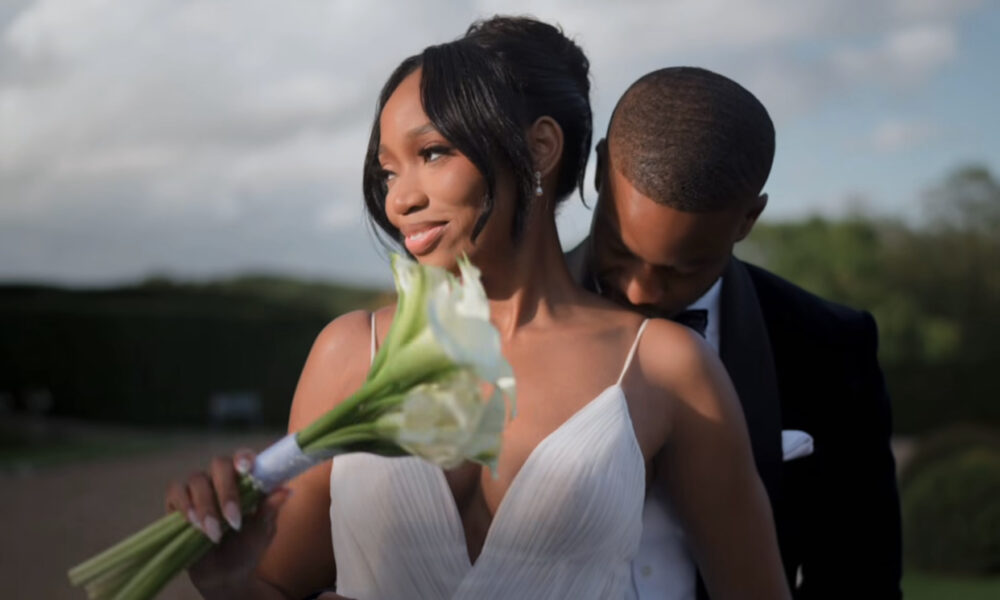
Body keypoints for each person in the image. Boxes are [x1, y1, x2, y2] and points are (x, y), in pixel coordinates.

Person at [165, 19, 792, 600]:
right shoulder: (351, 351)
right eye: (387, 172)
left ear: (541, 147)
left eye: (432, 152)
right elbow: (276, 589)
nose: (400, 199)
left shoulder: (665, 369)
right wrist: (229, 580)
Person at [565, 66, 903, 599]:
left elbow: (861, 576)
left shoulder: (830, 345)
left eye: (682, 269)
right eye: (621, 252)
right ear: (601, 170)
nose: (639, 292)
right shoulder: (496, 323)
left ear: (748, 220)